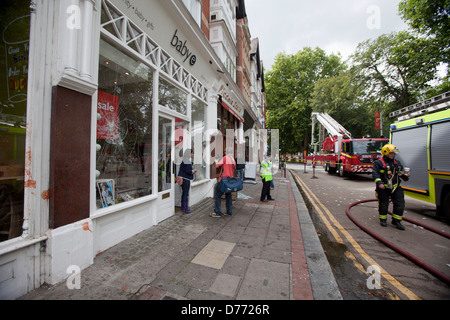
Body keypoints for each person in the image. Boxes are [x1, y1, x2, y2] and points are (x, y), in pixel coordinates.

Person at [372, 144, 410, 230]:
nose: (393, 155)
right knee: (383, 203)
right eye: (391, 153)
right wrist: (379, 183)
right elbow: (375, 174)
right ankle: (383, 219)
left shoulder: (397, 163)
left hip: (395, 187)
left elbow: (401, 175)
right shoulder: (378, 163)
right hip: (383, 188)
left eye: (394, 153)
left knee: (400, 203)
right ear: (385, 153)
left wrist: (406, 175)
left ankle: (396, 221)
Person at [211, 148, 236, 218]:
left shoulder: (225, 158)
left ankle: (217, 212)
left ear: (226, 152)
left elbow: (217, 166)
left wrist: (215, 160)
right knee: (228, 196)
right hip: (230, 180)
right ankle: (229, 212)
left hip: (223, 180)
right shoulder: (233, 159)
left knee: (217, 195)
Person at [178, 148, 197, 214]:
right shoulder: (187, 161)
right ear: (189, 154)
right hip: (186, 179)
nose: (192, 154)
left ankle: (183, 206)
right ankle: (185, 208)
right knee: (185, 194)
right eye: (192, 153)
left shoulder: (184, 160)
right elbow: (188, 171)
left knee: (184, 193)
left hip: (183, 179)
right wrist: (194, 171)